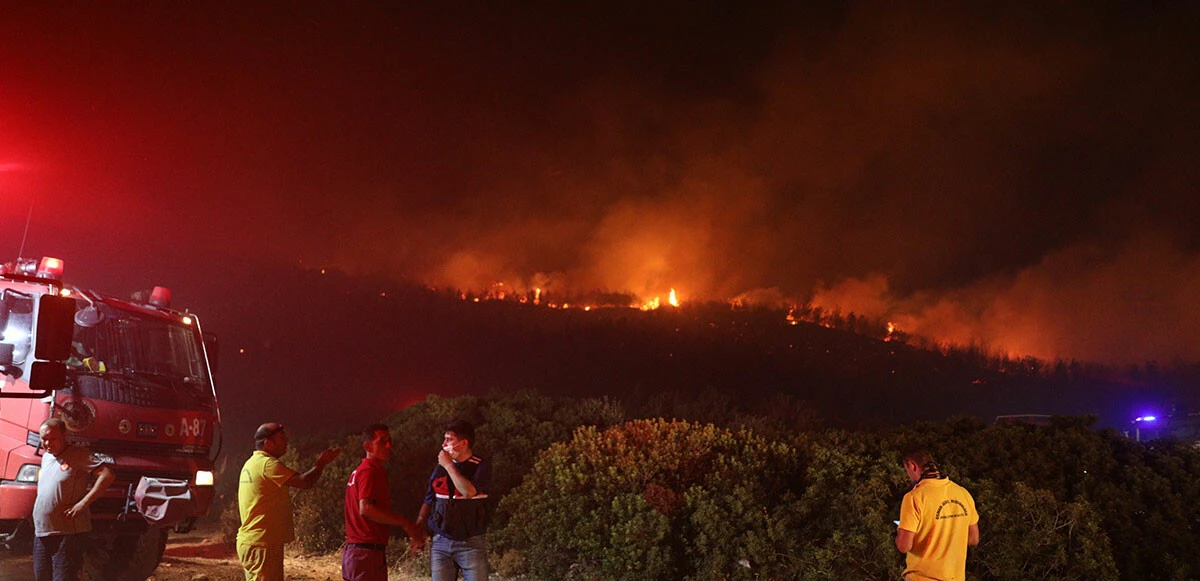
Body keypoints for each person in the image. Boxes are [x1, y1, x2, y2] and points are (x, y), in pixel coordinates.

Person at [237, 423, 341, 581]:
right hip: (262, 544)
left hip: (255, 542)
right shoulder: (267, 464)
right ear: (268, 443)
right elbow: (305, 482)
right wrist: (321, 464)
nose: (286, 441)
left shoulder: (251, 463)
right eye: (281, 437)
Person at [32, 417, 116, 581]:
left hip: (68, 533)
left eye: (53, 439)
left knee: (64, 578)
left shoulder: (78, 455)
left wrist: (82, 504)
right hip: (42, 531)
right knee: (41, 577)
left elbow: (107, 475)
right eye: (44, 439)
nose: (48, 444)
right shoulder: (47, 457)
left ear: (64, 436)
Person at [342, 423, 426, 581]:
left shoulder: (359, 471)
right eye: (382, 441)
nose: (388, 445)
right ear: (368, 446)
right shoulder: (370, 471)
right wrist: (405, 523)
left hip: (355, 553)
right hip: (367, 554)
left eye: (389, 440)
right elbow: (365, 509)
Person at [417, 420, 492, 581]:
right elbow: (429, 499)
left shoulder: (480, 466)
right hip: (441, 542)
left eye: (449, 439)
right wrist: (418, 529)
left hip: (470, 543)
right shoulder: (439, 468)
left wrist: (449, 466)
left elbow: (469, 491)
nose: (444, 444)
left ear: (464, 443)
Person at [895, 449, 980, 581]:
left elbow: (904, 546)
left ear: (913, 466)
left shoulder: (914, 497)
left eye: (907, 471)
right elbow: (973, 539)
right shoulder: (963, 493)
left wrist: (901, 531)